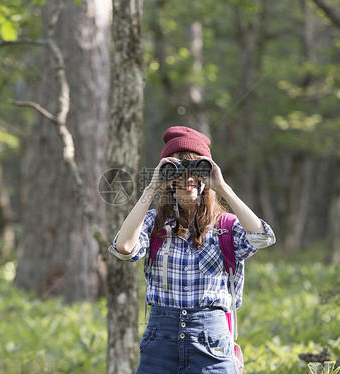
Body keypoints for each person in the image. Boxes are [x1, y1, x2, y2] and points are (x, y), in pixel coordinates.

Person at [108, 126, 276, 374]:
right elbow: (124, 247)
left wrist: (222, 187)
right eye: (176, 171)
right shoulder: (154, 223)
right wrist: (150, 189)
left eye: (196, 169)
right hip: (160, 340)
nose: (187, 179)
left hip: (211, 340)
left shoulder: (225, 226)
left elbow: (262, 237)